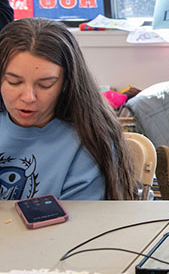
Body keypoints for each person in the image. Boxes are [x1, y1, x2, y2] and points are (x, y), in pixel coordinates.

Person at [0, 18, 137, 200]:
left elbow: (78, 225)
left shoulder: (86, 140)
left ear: (66, 83)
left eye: (45, 84)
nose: (28, 97)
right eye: (14, 82)